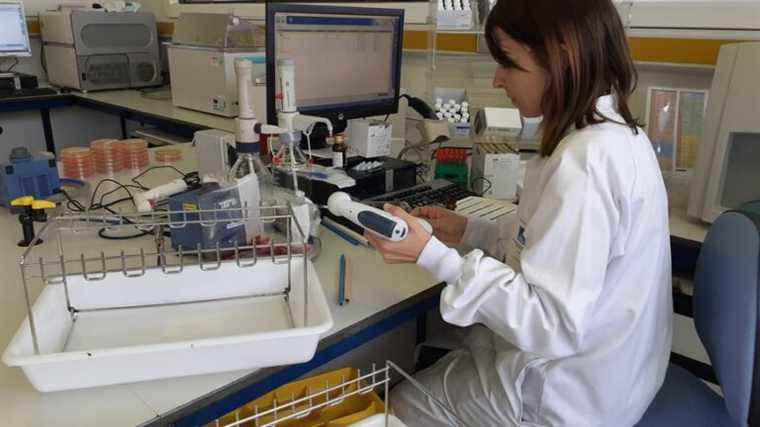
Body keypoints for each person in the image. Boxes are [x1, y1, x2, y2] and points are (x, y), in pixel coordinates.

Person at [365, 0, 673, 425]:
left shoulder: (585, 163)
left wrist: (432, 255)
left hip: (565, 399)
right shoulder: (618, 133)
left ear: (561, 57)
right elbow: (547, 240)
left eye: (508, 63)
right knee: (449, 344)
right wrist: (468, 229)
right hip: (617, 376)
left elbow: (551, 325)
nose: (497, 78)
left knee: (398, 405)